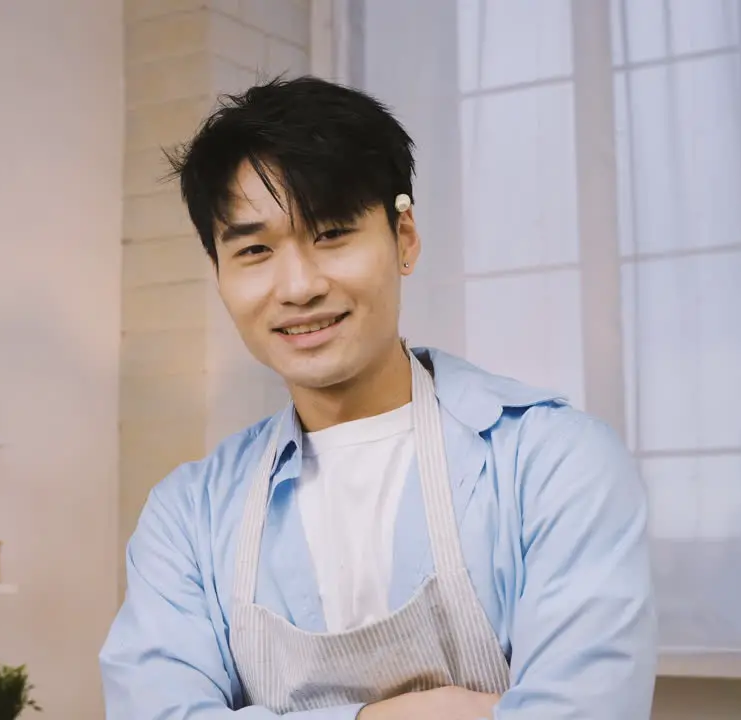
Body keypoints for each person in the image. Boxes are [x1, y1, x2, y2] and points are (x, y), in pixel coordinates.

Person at [99, 76, 657, 719]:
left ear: (405, 237)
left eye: (332, 233)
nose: (299, 285)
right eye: (254, 250)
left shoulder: (553, 463)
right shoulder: (188, 517)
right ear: (221, 275)